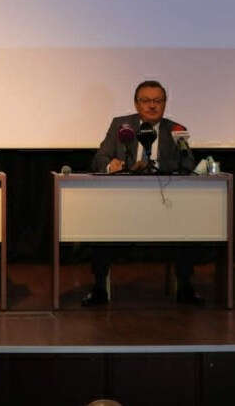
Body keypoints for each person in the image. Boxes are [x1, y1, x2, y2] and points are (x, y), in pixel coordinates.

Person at [84, 80, 200, 306]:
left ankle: (185, 286)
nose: (152, 106)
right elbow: (99, 159)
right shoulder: (120, 126)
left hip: (165, 203)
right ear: (136, 104)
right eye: (146, 101)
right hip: (122, 203)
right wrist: (111, 165)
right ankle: (99, 288)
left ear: (165, 104)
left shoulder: (176, 129)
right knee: (100, 224)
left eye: (158, 101)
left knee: (187, 225)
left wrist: (154, 165)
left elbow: (188, 164)